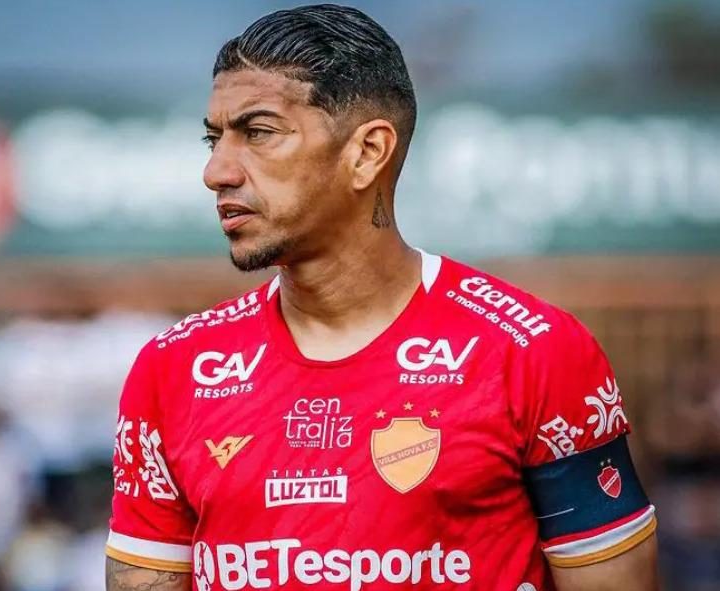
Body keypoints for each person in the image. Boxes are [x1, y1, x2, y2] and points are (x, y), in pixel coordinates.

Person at [105, 5, 659, 590]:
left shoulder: (532, 351)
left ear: (368, 152)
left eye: (258, 133)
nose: (216, 171)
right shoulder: (173, 371)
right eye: (214, 139)